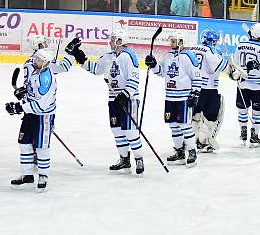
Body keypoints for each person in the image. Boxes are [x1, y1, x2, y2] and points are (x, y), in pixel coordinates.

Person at [66, 28, 145, 175]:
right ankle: (124, 159)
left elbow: (134, 79)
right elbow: (96, 69)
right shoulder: (109, 56)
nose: (110, 41)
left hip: (129, 99)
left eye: (113, 39)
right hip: (113, 99)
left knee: (130, 131)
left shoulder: (129, 56)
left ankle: (139, 159)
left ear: (119, 41)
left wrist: (125, 94)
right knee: (117, 131)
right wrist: (79, 55)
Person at [5, 48, 61, 191]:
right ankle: (27, 175)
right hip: (30, 114)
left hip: (43, 117)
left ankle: (43, 176)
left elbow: (41, 105)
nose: (34, 61)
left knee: (42, 147)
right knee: (24, 143)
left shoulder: (47, 79)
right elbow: (32, 92)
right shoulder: (36, 71)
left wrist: (19, 107)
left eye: (38, 60)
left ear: (46, 63)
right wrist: (23, 93)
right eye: (35, 58)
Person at [145, 32, 203, 167]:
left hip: (184, 97)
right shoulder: (167, 56)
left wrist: (195, 93)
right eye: (171, 41)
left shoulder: (188, 56)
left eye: (174, 41)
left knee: (184, 125)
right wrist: (153, 65)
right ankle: (179, 152)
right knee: (173, 125)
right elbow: (161, 72)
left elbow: (197, 76)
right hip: (170, 96)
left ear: (181, 41)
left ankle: (192, 151)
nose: (171, 43)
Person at [186, 30, 229, 153]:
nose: (216, 43)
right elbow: (219, 66)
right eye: (215, 41)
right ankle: (202, 142)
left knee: (194, 115)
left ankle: (190, 141)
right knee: (211, 116)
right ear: (210, 41)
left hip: (192, 88)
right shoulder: (210, 50)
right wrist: (232, 70)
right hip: (208, 88)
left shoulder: (192, 49)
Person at [230, 23, 260, 147]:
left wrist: (233, 74)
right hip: (258, 85)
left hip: (242, 83)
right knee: (257, 112)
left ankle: (243, 133)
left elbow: (234, 63)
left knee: (242, 110)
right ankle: (254, 136)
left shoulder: (240, 45)